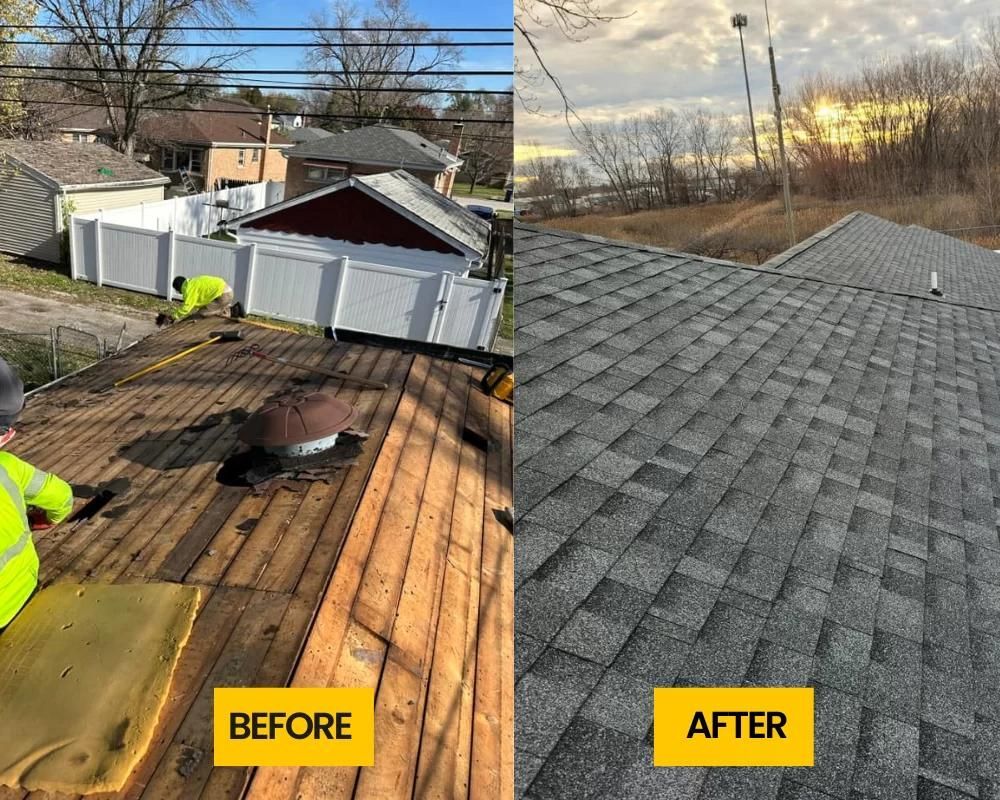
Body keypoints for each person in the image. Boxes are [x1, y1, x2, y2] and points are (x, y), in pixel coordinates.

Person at [0, 358, 74, 628]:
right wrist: (45, 520)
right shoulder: (9, 469)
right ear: (7, 437)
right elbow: (62, 497)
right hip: (24, 588)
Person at [157, 275, 240, 326]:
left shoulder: (189, 290)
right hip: (225, 291)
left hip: (224, 295)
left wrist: (173, 317)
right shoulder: (192, 283)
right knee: (206, 309)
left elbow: (186, 308)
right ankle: (227, 308)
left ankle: (232, 311)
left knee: (203, 313)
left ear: (178, 288)